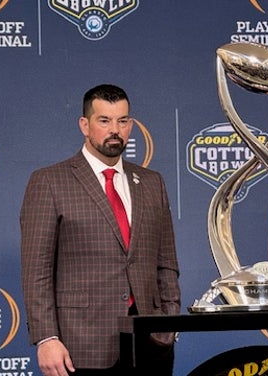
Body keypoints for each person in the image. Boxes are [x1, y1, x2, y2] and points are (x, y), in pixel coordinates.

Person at [20, 84, 180, 376]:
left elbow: (166, 262)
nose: (114, 129)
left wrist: (168, 324)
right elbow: (37, 272)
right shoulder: (49, 182)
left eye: (122, 121)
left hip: (151, 345)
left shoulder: (152, 182)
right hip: (80, 345)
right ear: (85, 124)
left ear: (130, 125)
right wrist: (46, 338)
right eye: (104, 120)